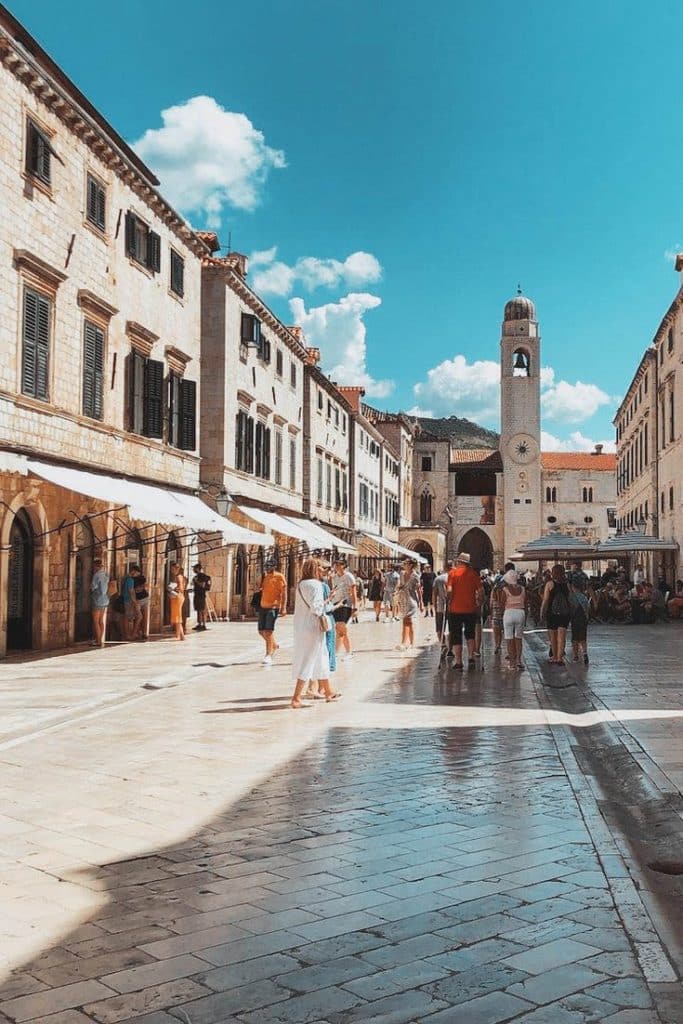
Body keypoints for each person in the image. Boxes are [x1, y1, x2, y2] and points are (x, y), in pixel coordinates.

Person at [290, 557, 340, 709]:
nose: (324, 572)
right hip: (313, 627)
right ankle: (296, 697)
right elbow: (317, 609)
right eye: (322, 569)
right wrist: (328, 601)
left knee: (321, 657)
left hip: (301, 626)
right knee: (309, 660)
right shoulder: (316, 585)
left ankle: (328, 692)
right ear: (316, 569)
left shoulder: (301, 584)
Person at [446, 553, 484, 670]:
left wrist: (449, 601)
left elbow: (449, 590)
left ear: (459, 562)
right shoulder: (473, 574)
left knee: (456, 635)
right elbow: (481, 590)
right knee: (470, 634)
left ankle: (458, 662)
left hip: (455, 609)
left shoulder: (452, 573)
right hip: (470, 609)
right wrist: (480, 602)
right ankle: (471, 657)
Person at [541, 564, 571, 665]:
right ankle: (560, 658)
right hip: (565, 613)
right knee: (562, 636)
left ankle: (554, 656)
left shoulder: (550, 584)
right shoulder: (567, 584)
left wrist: (542, 612)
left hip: (552, 613)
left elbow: (545, 600)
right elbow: (570, 599)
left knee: (553, 636)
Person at [258, 559, 287, 666]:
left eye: (269, 566)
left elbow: (284, 593)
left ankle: (268, 655)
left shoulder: (280, 577)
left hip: (273, 607)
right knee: (261, 631)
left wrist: (283, 607)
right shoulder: (265, 577)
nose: (267, 568)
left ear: (274, 567)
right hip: (263, 606)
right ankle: (274, 645)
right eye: (266, 566)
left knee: (268, 631)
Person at [330, 559, 357, 660]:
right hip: (336, 604)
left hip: (346, 604)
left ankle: (336, 653)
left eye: (338, 564)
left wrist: (355, 607)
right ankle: (348, 651)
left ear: (344, 566)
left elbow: (353, 591)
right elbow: (334, 590)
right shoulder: (334, 577)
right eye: (335, 564)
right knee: (339, 629)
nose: (336, 566)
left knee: (341, 627)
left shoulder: (349, 576)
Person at [499, 569, 527, 670]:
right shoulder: (523, 589)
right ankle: (519, 660)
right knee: (518, 638)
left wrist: (503, 613)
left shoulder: (505, 589)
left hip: (509, 613)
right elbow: (525, 602)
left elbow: (502, 603)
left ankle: (512, 663)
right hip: (520, 613)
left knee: (509, 639)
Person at [396, 558, 424, 651]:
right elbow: (400, 585)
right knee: (409, 622)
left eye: (405, 563)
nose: (404, 565)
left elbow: (419, 590)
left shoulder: (415, 576)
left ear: (410, 565)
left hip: (412, 601)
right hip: (403, 599)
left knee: (406, 621)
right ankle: (411, 643)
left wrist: (421, 603)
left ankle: (403, 643)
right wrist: (399, 588)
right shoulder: (402, 574)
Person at [90, 558, 109, 648]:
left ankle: (98, 641)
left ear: (96, 566)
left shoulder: (96, 575)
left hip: (97, 599)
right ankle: (100, 639)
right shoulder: (105, 574)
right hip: (105, 599)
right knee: (101, 621)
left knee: (96, 621)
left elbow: (93, 587)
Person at [569, 580, 590, 664]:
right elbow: (587, 609)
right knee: (583, 639)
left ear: (573, 587)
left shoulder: (572, 597)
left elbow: (571, 608)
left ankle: (575, 656)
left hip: (575, 620)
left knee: (575, 639)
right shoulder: (584, 597)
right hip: (583, 620)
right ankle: (585, 653)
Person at [433, 563, 451, 648]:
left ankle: (443, 643)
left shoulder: (438, 579)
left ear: (444, 567)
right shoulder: (455, 578)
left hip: (440, 606)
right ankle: (450, 647)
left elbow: (434, 594)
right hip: (452, 607)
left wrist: (434, 607)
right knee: (452, 628)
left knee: (439, 628)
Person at [121, 564, 140, 640]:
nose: (136, 576)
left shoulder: (126, 578)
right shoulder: (130, 580)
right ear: (133, 571)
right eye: (136, 574)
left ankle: (129, 634)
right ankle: (128, 635)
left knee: (128, 617)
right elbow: (131, 591)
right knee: (128, 618)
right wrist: (135, 602)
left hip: (126, 599)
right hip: (128, 600)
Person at [168, 561, 186, 641]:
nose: (171, 570)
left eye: (172, 569)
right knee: (177, 616)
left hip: (177, 597)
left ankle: (181, 636)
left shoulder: (178, 577)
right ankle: (179, 635)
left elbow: (181, 588)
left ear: (176, 569)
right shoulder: (179, 576)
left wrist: (173, 588)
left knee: (177, 616)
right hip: (178, 597)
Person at [192, 563, 212, 632]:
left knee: (201, 610)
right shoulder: (198, 576)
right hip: (198, 594)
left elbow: (203, 585)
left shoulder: (202, 576)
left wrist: (196, 581)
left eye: (194, 568)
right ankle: (200, 624)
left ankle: (203, 624)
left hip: (200, 595)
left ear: (198, 569)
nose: (193, 570)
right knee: (198, 610)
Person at [132, 566, 150, 641]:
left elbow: (139, 589)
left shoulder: (139, 578)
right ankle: (140, 633)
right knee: (140, 617)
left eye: (134, 571)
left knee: (141, 617)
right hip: (141, 599)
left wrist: (137, 589)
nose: (133, 573)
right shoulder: (137, 578)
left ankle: (142, 633)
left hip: (142, 599)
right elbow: (140, 588)